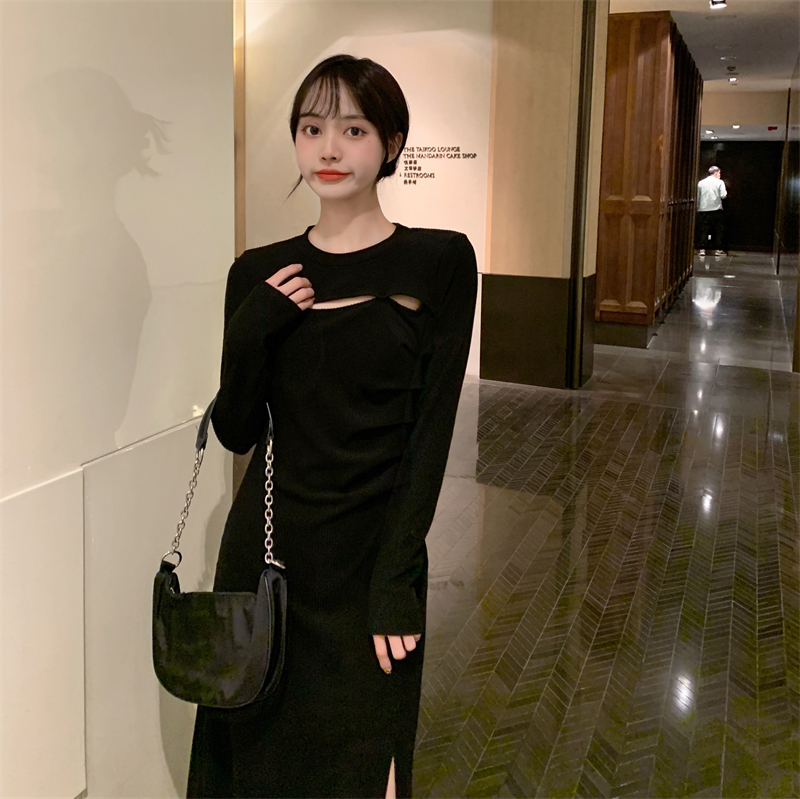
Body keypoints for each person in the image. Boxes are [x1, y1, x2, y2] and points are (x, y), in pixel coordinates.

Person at [186, 54, 478, 799]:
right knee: (256, 767)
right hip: (268, 556)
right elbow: (237, 431)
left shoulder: (439, 261)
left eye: (353, 129)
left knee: (367, 765)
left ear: (391, 142)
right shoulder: (258, 272)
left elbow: (430, 439)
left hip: (370, 560)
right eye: (311, 128)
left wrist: (397, 580)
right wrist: (250, 333)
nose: (329, 148)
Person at [696, 165, 728, 256]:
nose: (720, 175)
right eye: (719, 173)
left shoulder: (701, 183)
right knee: (718, 230)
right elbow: (723, 195)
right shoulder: (720, 182)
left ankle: (702, 249)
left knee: (704, 229)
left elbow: (698, 197)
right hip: (716, 208)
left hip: (704, 209)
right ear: (716, 173)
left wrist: (698, 207)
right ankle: (718, 249)